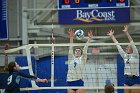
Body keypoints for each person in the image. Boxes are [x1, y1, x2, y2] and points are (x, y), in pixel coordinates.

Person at [107, 25, 140, 93]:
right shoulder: (125, 55)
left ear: (132, 49)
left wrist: (126, 32)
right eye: (126, 47)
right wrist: (112, 36)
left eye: (128, 47)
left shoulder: (135, 55)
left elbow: (132, 42)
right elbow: (118, 45)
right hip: (126, 78)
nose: (126, 48)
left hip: (135, 78)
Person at [67, 29, 92, 93]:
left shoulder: (82, 59)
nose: (77, 51)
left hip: (79, 81)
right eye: (76, 50)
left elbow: (85, 49)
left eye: (79, 51)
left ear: (81, 53)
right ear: (74, 52)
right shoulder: (71, 58)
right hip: (70, 81)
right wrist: (71, 38)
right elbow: (70, 47)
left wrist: (89, 39)